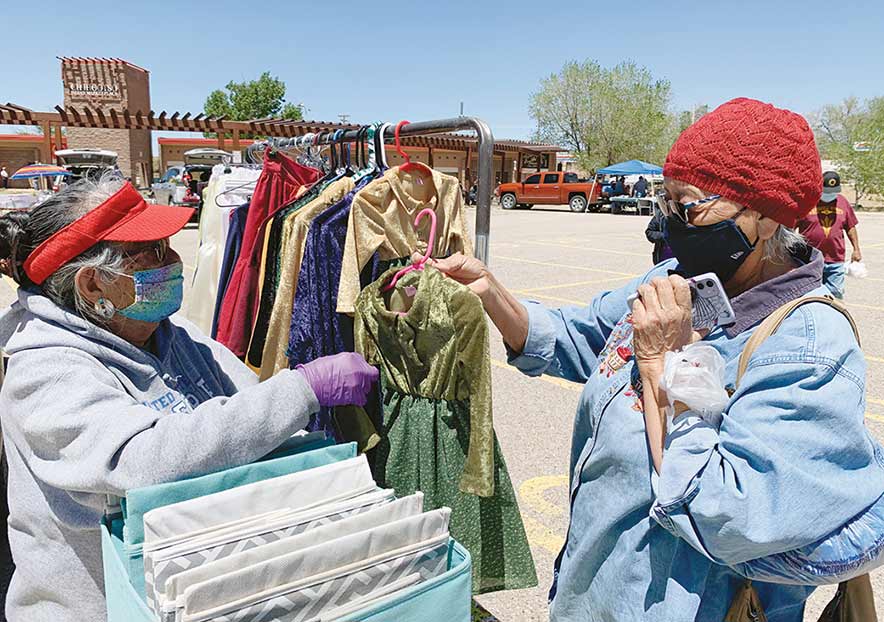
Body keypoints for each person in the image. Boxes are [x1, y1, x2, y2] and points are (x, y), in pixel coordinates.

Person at [428, 98, 881, 620]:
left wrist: (671, 365)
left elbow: (729, 513)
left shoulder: (809, 344)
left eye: (686, 206)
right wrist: (491, 292)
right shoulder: (674, 280)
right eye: (664, 203)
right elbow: (580, 338)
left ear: (760, 215)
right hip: (597, 594)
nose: (668, 224)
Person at [0, 175, 378, 622]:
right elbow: (142, 461)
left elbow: (246, 403)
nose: (175, 259)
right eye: (153, 253)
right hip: (100, 609)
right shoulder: (46, 371)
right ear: (92, 285)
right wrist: (300, 389)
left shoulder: (170, 336)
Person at [795, 171, 862, 298]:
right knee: (809, 295)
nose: (830, 195)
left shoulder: (843, 202)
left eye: (833, 191)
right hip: (810, 260)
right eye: (827, 191)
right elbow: (791, 228)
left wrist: (856, 249)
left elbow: (851, 227)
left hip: (835, 260)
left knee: (835, 295)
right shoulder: (807, 202)